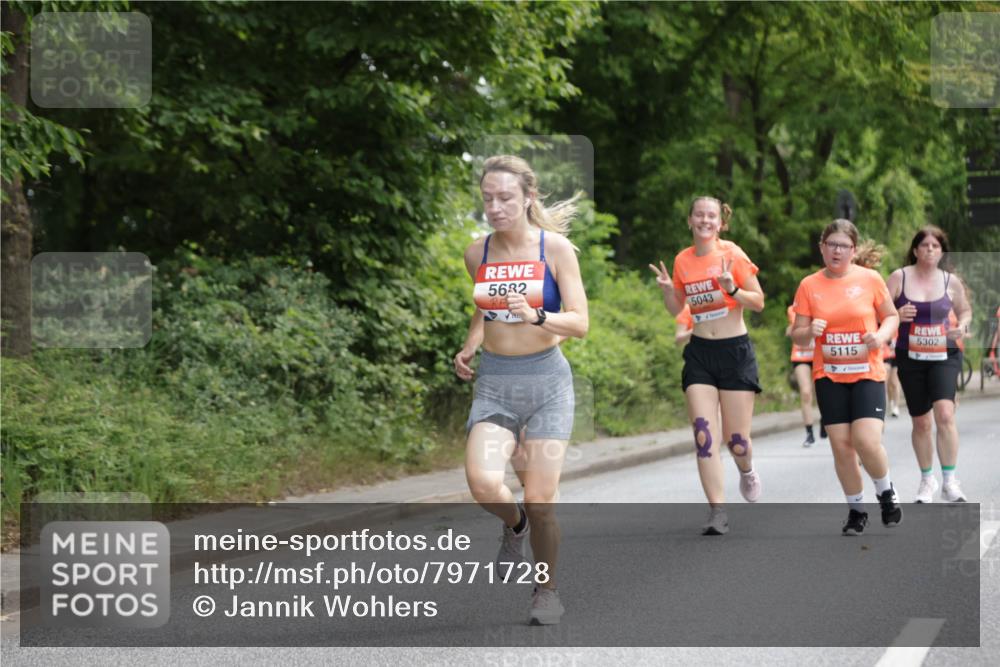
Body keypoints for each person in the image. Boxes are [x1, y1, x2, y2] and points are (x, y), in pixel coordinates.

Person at [453, 155, 588, 625]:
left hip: (548, 383)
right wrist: (471, 344)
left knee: (541, 498)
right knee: (484, 483)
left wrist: (538, 316)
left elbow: (581, 322)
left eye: (506, 197)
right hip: (495, 384)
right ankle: (515, 526)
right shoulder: (477, 252)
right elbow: (484, 306)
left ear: (528, 198)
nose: (495, 206)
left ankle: (546, 591)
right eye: (488, 198)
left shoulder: (556, 250)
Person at [650, 196, 765, 536]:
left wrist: (733, 289)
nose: (704, 220)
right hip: (700, 352)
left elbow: (758, 301)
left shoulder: (732, 254)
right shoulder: (683, 260)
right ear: (690, 220)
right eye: (698, 215)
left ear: (721, 223)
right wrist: (669, 291)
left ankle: (746, 469)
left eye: (711, 215)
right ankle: (717, 511)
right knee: (703, 435)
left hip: (735, 352)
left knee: (737, 441)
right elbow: (680, 311)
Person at [791, 220, 902, 536]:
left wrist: (880, 336)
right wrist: (807, 331)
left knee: (866, 440)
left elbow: (891, 316)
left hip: (867, 373)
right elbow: (798, 337)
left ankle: (885, 492)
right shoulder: (809, 285)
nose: (836, 250)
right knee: (841, 446)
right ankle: (856, 511)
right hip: (829, 375)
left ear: (853, 250)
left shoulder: (870, 279)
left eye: (843, 245)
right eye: (831, 244)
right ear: (822, 247)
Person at [885, 226, 972, 504]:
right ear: (915, 250)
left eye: (936, 246)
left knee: (945, 414)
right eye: (925, 246)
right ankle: (927, 479)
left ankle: (950, 480)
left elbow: (965, 310)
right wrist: (897, 314)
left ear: (941, 251)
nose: (930, 250)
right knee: (921, 422)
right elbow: (879, 313)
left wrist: (964, 326)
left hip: (944, 355)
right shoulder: (899, 277)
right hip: (911, 357)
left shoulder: (951, 282)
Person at [786, 303, 822, 446]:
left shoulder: (822, 306)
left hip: (819, 356)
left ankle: (825, 420)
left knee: (821, 393)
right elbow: (791, 329)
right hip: (800, 356)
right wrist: (790, 330)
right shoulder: (792, 310)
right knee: (806, 392)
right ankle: (809, 433)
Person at [883, 336, 902, 417]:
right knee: (887, 383)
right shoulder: (882, 326)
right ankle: (890, 402)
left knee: (894, 383)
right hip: (885, 357)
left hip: (896, 357)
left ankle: (896, 406)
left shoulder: (899, 327)